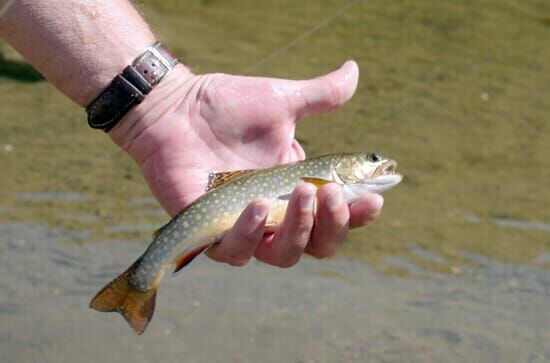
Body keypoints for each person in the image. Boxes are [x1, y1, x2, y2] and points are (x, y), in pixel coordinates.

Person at [0, 0, 383, 268]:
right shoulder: (324, 178)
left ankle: (147, 275)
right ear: (341, 167)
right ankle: (142, 279)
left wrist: (163, 105)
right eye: (371, 160)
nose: (377, 164)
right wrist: (164, 105)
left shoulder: (327, 183)